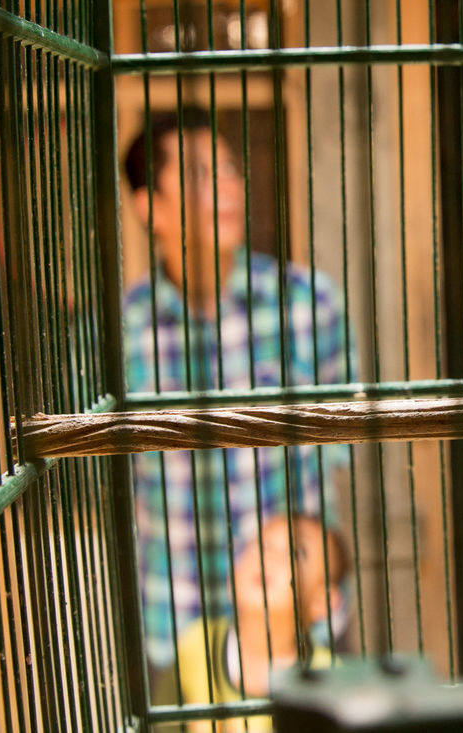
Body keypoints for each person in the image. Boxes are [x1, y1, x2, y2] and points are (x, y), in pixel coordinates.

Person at [121, 108, 355, 699]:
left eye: (229, 168)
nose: (227, 184)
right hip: (179, 619)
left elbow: (339, 450)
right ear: (151, 207)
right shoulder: (121, 332)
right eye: (201, 173)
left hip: (300, 622)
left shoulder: (307, 302)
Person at [175, 515, 351, 732]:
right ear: (233, 576)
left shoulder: (330, 677)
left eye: (296, 552)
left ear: (322, 602)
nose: (269, 558)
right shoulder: (197, 643)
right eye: (262, 545)